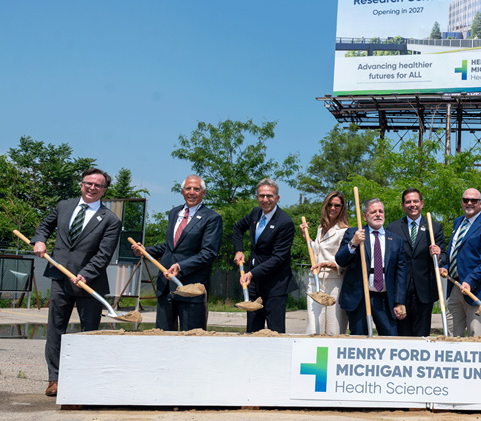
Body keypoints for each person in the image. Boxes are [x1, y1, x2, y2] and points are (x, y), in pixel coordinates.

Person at [31, 168, 121, 397]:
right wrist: (40, 240)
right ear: (81, 185)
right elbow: (44, 227)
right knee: (55, 331)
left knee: (89, 333)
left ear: (104, 190)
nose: (92, 188)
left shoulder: (110, 219)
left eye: (98, 185)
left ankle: (84, 379)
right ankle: (55, 379)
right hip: (60, 279)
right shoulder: (64, 206)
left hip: (89, 284)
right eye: (88, 183)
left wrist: (87, 273)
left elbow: (104, 254)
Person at [132, 175, 223, 331]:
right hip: (166, 286)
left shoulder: (212, 218)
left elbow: (208, 253)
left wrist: (181, 266)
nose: (191, 192)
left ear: (203, 192)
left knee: (192, 339)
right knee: (163, 338)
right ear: (182, 191)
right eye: (188, 188)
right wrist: (145, 251)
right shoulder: (174, 213)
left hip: (190, 287)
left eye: (196, 189)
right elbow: (170, 247)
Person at [335, 198, 408, 336]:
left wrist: (400, 301)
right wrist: (353, 243)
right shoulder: (354, 233)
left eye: (381, 211)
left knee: (391, 337)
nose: (378, 214)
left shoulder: (396, 240)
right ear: (364, 216)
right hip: (360, 298)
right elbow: (340, 260)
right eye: (373, 212)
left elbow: (401, 273)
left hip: (385, 299)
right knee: (360, 339)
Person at [232, 178, 297, 333]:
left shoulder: (285, 222)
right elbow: (237, 228)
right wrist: (238, 250)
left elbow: (278, 258)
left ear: (277, 198)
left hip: (275, 286)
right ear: (257, 197)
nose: (265, 200)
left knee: (275, 332)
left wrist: (252, 273)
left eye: (269, 196)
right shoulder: (255, 213)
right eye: (261, 196)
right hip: (254, 284)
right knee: (253, 330)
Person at [438, 188, 481, 338]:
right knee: (451, 335)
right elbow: (455, 251)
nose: (469, 203)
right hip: (456, 286)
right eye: (466, 200)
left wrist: (470, 281)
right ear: (461, 202)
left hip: (477, 290)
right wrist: (446, 266)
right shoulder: (458, 222)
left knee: (476, 337)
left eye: (474, 200)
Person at [386, 188, 446, 337]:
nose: (412, 205)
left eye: (415, 201)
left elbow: (444, 257)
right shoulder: (392, 228)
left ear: (422, 203)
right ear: (402, 205)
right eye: (408, 202)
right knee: (402, 333)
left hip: (424, 290)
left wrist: (437, 255)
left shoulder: (434, 227)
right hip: (400, 290)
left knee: (422, 334)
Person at [301, 191, 349, 335]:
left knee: (334, 328)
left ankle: (332, 356)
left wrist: (327, 264)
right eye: (330, 204)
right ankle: (312, 355)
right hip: (315, 281)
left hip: (334, 282)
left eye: (337, 205)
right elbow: (317, 250)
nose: (332, 208)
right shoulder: (320, 228)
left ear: (342, 208)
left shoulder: (344, 231)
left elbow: (344, 260)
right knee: (314, 326)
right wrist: (306, 237)